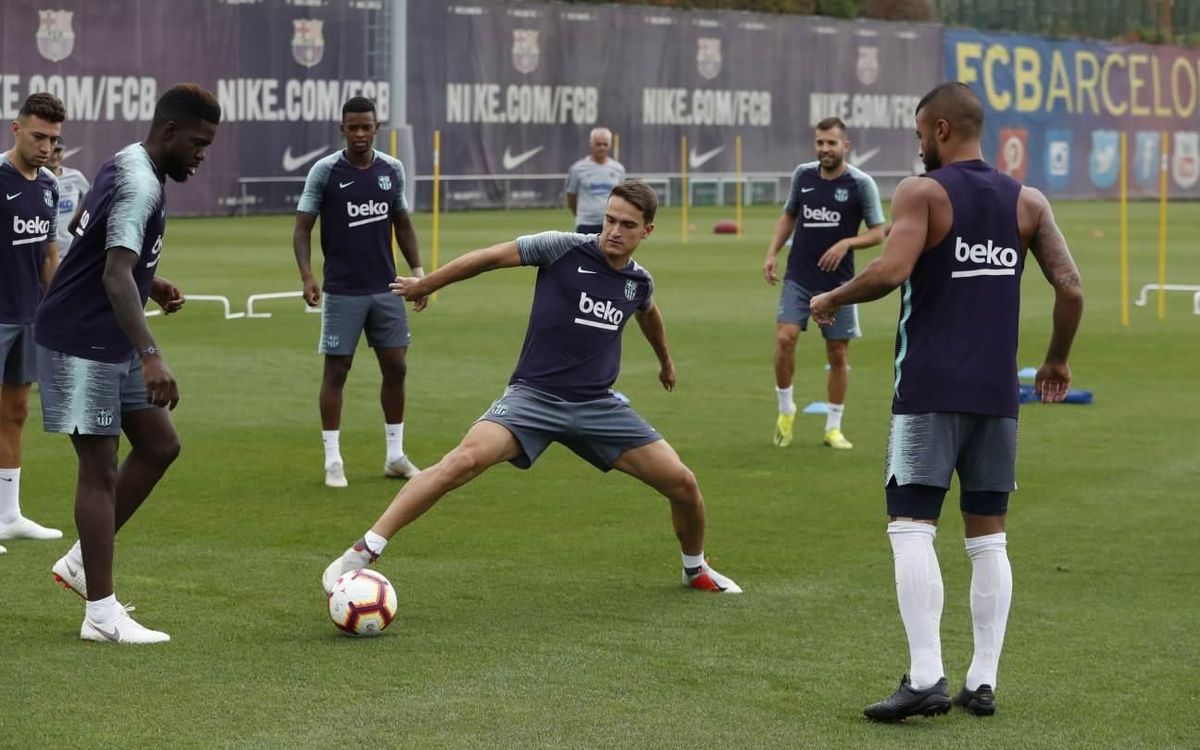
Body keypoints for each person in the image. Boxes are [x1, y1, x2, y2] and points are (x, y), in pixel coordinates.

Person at [809, 82, 1083, 720]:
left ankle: (927, 675)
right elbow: (1070, 290)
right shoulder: (1029, 201)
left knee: (910, 528)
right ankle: (981, 681)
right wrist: (1057, 358)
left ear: (936, 130)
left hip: (929, 388)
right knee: (989, 541)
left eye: (917, 134)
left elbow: (893, 270)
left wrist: (833, 297)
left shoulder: (922, 191)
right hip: (996, 393)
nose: (917, 146)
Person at [321, 181, 741, 596]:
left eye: (627, 225)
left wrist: (665, 361)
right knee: (462, 462)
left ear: (647, 231)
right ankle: (363, 551)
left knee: (683, 483)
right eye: (609, 220)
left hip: (597, 406)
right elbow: (489, 258)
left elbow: (649, 314)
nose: (614, 231)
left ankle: (695, 568)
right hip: (533, 399)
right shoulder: (560, 247)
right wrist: (426, 283)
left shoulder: (639, 282)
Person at [36, 83, 221, 644]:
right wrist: (151, 354)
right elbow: (114, 275)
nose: (201, 154)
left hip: (105, 335)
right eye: (197, 142)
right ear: (169, 132)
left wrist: (152, 280)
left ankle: (77, 562)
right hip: (77, 339)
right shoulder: (140, 182)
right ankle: (101, 615)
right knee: (99, 468)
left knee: (161, 444)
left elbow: (81, 233)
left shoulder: (125, 160)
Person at [293, 96, 425, 489]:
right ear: (342, 129)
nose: (361, 134)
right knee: (337, 371)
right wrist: (306, 276)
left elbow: (402, 224)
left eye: (367, 127)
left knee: (397, 368)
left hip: (385, 287)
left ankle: (395, 456)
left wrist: (419, 275)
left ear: (376, 127)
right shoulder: (326, 172)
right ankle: (333, 459)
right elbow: (302, 228)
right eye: (353, 128)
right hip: (343, 290)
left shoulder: (391, 170)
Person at [763, 117, 885, 450]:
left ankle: (833, 427)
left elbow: (878, 232)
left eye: (831, 143)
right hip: (799, 277)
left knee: (837, 354)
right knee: (785, 337)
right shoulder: (802, 175)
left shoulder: (861, 184)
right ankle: (786, 410)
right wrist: (772, 252)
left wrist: (847, 243)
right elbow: (789, 215)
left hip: (840, 286)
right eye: (820, 142)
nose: (824, 149)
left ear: (846, 146)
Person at [0, 93, 67, 554]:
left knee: (17, 412)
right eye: (39, 135)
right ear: (16, 128)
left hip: (29, 316)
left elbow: (48, 253)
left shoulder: (48, 185)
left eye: (54, 139)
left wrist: (59, 304)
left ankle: (8, 515)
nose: (46, 146)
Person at [565, 127, 625, 233]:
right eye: (598, 144)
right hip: (586, 223)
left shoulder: (618, 169)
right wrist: (579, 214)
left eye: (605, 144)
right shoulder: (578, 168)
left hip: (610, 223)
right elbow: (571, 196)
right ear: (591, 144)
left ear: (610, 145)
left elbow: (620, 197)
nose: (602, 147)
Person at [46, 140, 91, 260]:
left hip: (68, 253)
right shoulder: (35, 178)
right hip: (42, 254)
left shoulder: (75, 177)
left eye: (58, 151)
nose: (55, 156)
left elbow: (92, 204)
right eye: (51, 151)